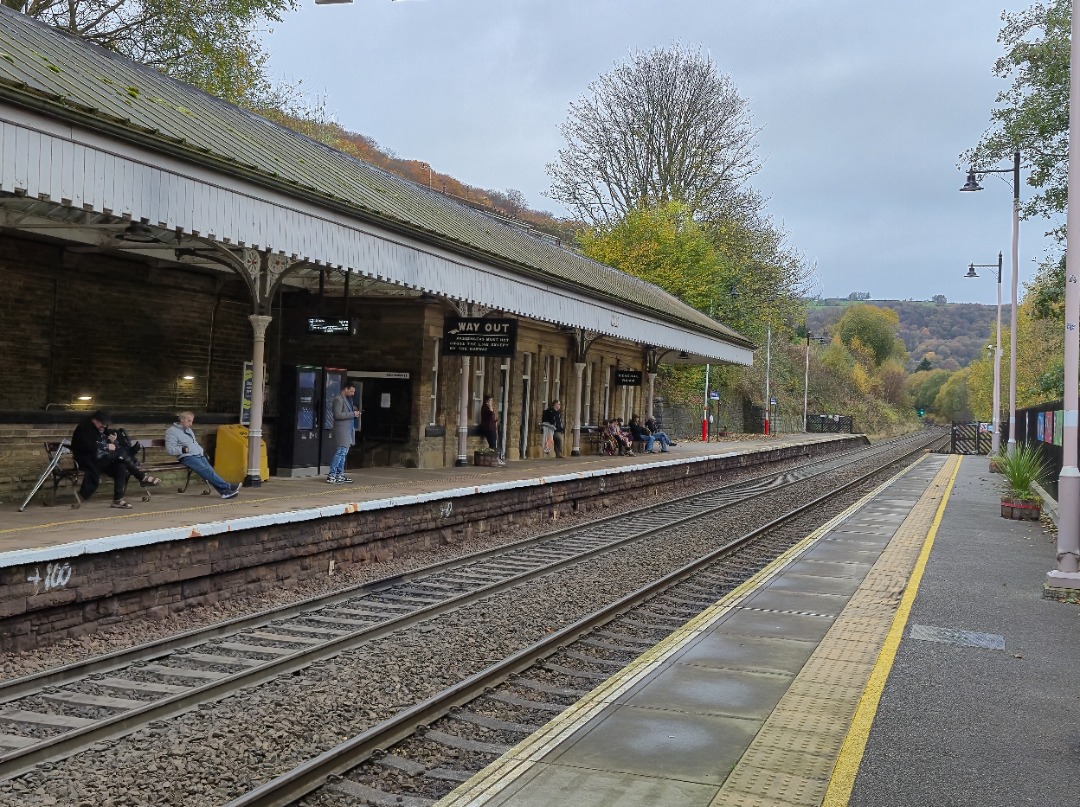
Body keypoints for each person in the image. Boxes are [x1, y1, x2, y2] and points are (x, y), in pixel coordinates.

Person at [71, 410, 161, 508]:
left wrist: (112, 441)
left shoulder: (101, 429)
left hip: (101, 459)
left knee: (120, 466)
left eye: (105, 424)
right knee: (120, 455)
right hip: (87, 460)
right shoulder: (83, 429)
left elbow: (106, 444)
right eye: (102, 423)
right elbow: (87, 446)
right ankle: (142, 477)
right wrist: (106, 446)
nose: (104, 426)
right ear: (94, 420)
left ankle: (118, 499)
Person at [165, 411, 240, 499]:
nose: (191, 424)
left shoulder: (188, 430)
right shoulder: (171, 431)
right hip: (187, 457)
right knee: (206, 471)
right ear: (182, 420)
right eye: (189, 421)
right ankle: (227, 487)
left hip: (197, 455)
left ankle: (225, 492)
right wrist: (183, 450)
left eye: (192, 421)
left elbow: (194, 444)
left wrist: (201, 451)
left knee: (210, 471)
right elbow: (170, 449)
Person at [327, 382, 361, 484]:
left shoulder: (348, 400)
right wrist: (352, 414)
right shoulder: (338, 399)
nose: (353, 394)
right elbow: (337, 415)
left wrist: (354, 413)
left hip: (348, 430)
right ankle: (331, 474)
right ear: (345, 389)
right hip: (341, 430)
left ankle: (339, 474)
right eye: (351, 391)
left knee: (344, 453)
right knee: (340, 452)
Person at [479, 394, 505, 465]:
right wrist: (490, 408)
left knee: (493, 445)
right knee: (492, 445)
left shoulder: (488, 408)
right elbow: (489, 416)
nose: (492, 402)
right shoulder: (485, 408)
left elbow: (491, 419)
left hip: (491, 428)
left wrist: (495, 420)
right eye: (490, 401)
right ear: (487, 401)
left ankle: (495, 459)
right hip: (488, 429)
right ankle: (494, 459)